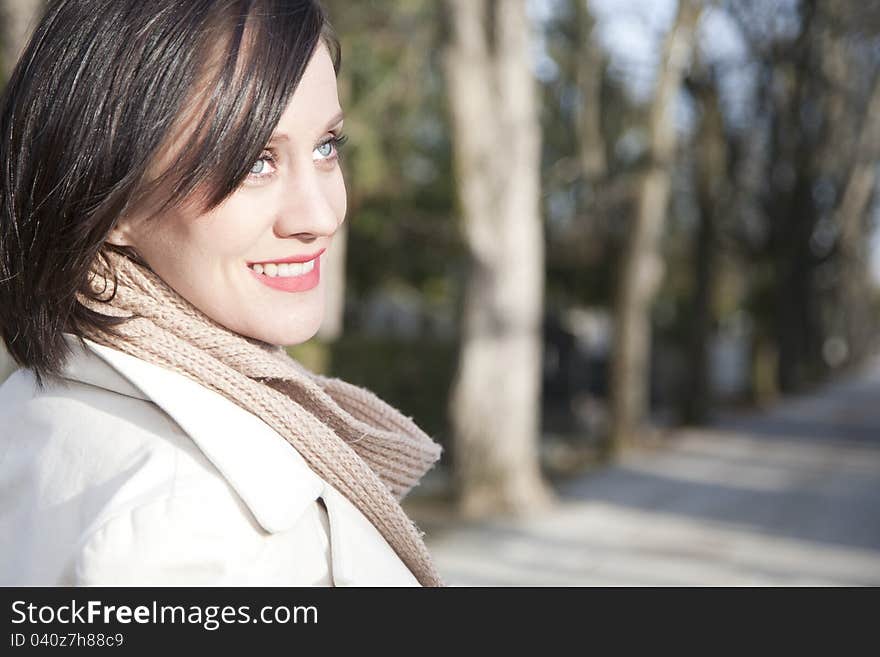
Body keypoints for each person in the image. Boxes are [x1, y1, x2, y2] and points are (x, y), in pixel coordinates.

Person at [0, 0, 444, 587]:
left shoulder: (48, 394)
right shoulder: (193, 528)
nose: (320, 214)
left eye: (326, 146)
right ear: (113, 196)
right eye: (255, 161)